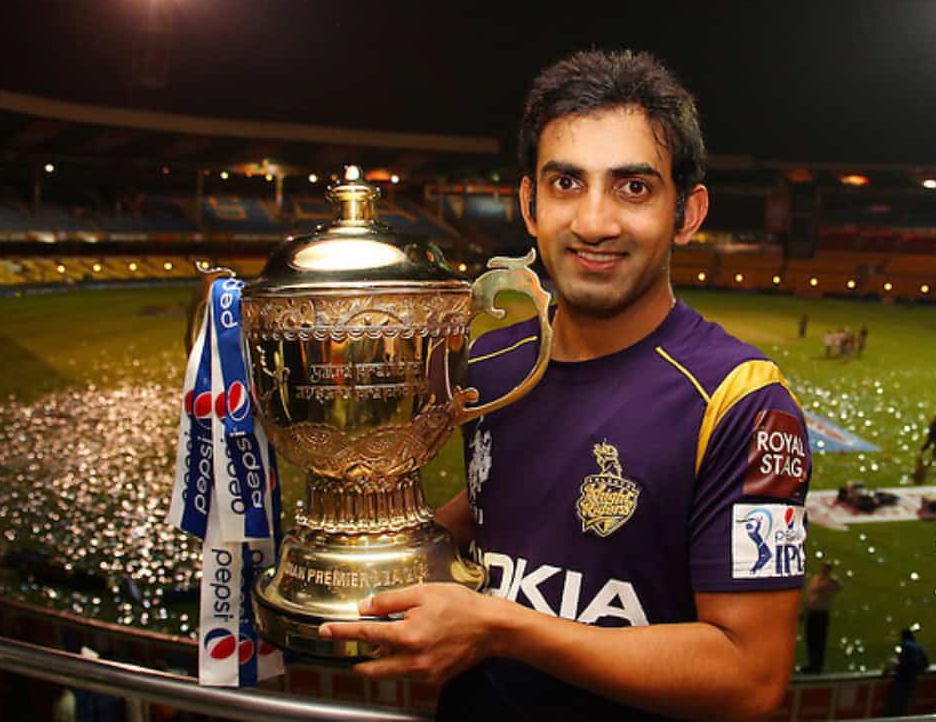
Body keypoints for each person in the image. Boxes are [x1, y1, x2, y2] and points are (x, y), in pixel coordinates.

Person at [319, 50, 813, 720]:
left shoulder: (743, 404)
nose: (594, 223)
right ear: (529, 202)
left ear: (687, 213)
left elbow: (749, 677)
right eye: (566, 184)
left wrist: (501, 628)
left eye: (633, 188)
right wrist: (367, 555)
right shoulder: (492, 363)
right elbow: (510, 498)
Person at [803, 562, 842, 674]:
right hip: (812, 612)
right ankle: (812, 664)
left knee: (819, 640)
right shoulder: (815, 579)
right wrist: (805, 610)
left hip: (821, 613)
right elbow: (809, 595)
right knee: (811, 639)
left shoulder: (831, 581)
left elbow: (839, 587)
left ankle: (817, 665)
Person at [883, 628, 930, 716]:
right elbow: (926, 662)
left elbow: (902, 663)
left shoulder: (906, 646)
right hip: (914, 677)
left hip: (904, 677)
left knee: (898, 700)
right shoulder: (919, 646)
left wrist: (887, 671)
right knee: (907, 699)